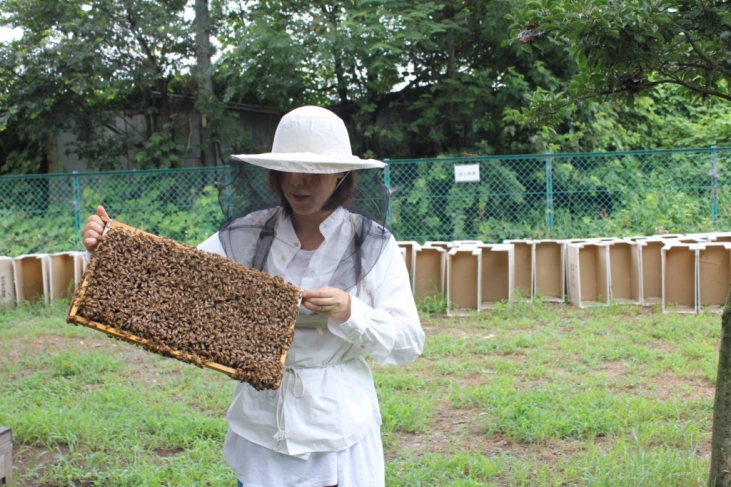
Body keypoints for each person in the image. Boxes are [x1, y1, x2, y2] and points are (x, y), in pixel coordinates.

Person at [81, 105, 425, 487]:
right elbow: (173, 284)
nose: (298, 182)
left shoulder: (371, 243)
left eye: (315, 172)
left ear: (343, 175)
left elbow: (409, 341)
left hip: (337, 431)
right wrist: (106, 250)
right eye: (288, 170)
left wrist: (350, 311)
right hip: (261, 427)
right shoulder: (248, 234)